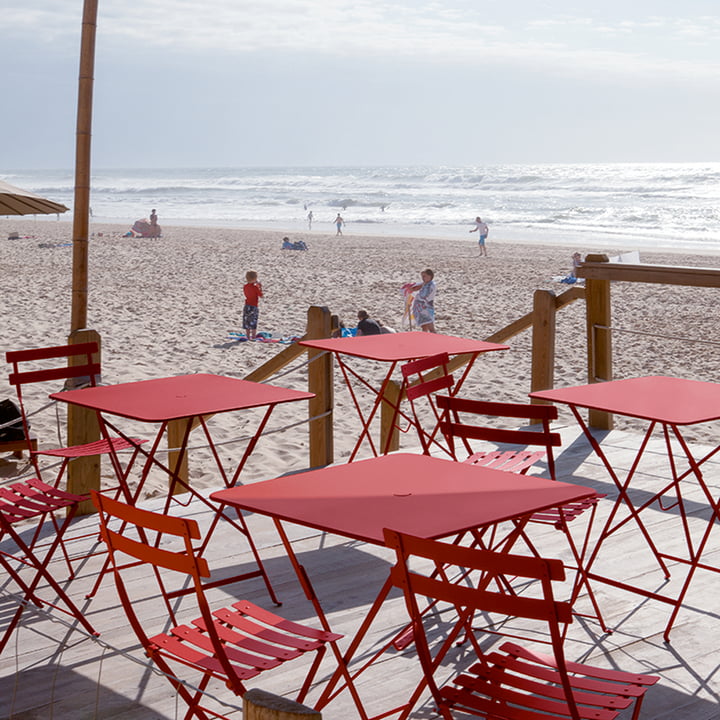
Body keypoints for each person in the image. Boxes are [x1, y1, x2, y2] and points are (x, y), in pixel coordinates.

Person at [411, 268, 436, 333]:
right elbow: (416, 287)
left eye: (424, 276)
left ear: (429, 276)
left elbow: (423, 295)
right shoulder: (425, 284)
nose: (423, 278)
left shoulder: (430, 285)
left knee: (430, 326)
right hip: (421, 308)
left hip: (426, 308)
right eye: (422, 276)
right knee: (424, 326)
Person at [242, 270, 264, 340]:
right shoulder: (255, 287)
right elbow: (261, 295)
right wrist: (260, 287)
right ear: (254, 278)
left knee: (247, 321)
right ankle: (253, 336)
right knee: (253, 321)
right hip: (253, 306)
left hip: (247, 305)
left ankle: (248, 336)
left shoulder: (245, 286)